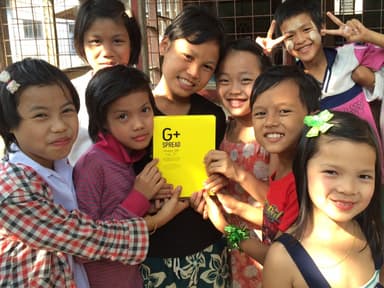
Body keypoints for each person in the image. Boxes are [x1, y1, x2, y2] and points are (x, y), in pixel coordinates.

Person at [0, 58, 186, 287]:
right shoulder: (14, 189)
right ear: (9, 123)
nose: (60, 126)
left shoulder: (60, 165)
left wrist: (146, 205)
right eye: (41, 116)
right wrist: (155, 219)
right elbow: (85, 239)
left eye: (67, 111)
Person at [136, 5, 229, 288]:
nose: (193, 72)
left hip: (206, 246)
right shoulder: (136, 113)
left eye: (207, 67)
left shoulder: (212, 115)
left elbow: (213, 171)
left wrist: (217, 180)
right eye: (187, 56)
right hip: (153, 253)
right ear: (164, 45)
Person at [73, 65, 188, 287]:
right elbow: (83, 246)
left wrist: (150, 205)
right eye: (123, 116)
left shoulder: (126, 158)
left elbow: (114, 213)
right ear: (103, 122)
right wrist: (139, 197)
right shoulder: (92, 165)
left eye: (145, 110)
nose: (139, 124)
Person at [203, 65, 320, 264]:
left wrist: (225, 228)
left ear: (313, 117)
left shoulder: (305, 184)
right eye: (260, 113)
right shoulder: (281, 171)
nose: (270, 122)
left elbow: (278, 260)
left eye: (283, 111)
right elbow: (274, 221)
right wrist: (233, 207)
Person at [258, 0, 384, 179]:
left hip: (368, 171)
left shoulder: (350, 56)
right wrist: (262, 57)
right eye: (290, 36)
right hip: (322, 181)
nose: (300, 40)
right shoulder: (292, 83)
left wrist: (367, 36)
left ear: (322, 28)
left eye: (306, 30)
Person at [263, 110, 384, 287]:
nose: (348, 189)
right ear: (303, 170)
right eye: (332, 172)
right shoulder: (282, 258)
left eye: (364, 176)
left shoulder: (373, 233)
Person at [203, 38, 272, 287]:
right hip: (233, 245)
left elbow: (281, 210)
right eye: (224, 80)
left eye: (245, 80)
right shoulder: (224, 127)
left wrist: (237, 174)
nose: (234, 89)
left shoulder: (272, 136)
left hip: (267, 248)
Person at [70, 0, 142, 164]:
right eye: (96, 41)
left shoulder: (141, 93)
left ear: (132, 43)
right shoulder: (70, 95)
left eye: (117, 41)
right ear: (82, 43)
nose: (107, 52)